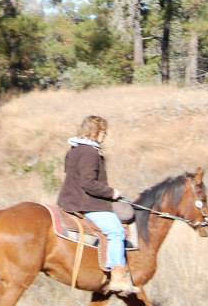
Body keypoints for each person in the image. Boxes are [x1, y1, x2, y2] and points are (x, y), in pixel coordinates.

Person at [56, 115, 137, 295]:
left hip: (70, 200)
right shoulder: (90, 152)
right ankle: (118, 276)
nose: (104, 136)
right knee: (116, 231)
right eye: (103, 132)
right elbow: (88, 183)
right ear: (95, 132)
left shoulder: (74, 149)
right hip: (86, 203)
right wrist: (112, 193)